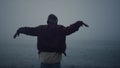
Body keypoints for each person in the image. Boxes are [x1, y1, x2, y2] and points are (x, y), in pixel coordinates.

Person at [13, 14, 89, 68]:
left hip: (48, 62)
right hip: (50, 62)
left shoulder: (43, 29)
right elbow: (29, 30)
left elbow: (29, 30)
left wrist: (79, 23)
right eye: (51, 22)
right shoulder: (56, 29)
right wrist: (79, 23)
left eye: (53, 22)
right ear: (52, 22)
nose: (52, 24)